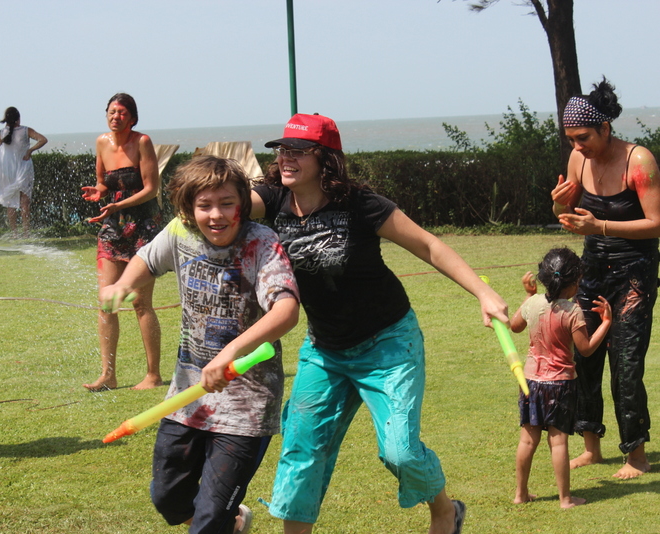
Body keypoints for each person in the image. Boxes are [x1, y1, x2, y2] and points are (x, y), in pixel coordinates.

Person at [250, 113, 509, 534]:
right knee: (301, 447)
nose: (286, 158)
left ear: (325, 158)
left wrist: (483, 292)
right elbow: (225, 203)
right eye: (282, 150)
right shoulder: (274, 197)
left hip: (387, 344)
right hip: (325, 349)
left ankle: (445, 510)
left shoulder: (360, 204)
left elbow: (428, 245)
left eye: (298, 151)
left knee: (400, 452)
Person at [99, 155, 300, 534]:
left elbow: (287, 311)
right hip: (187, 398)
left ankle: (220, 521)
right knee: (167, 497)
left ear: (243, 203)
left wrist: (231, 353)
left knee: (208, 519)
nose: (216, 215)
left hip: (246, 405)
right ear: (189, 208)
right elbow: (146, 259)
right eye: (205, 205)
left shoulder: (261, 242)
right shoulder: (180, 232)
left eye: (227, 203)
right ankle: (234, 523)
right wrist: (122, 285)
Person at [551, 78, 660, 479]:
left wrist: (601, 226)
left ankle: (636, 455)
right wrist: (558, 207)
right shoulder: (578, 161)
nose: (577, 147)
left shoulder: (638, 160)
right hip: (592, 269)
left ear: (605, 127)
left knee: (626, 363)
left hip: (634, 273)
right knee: (584, 356)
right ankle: (591, 447)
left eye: (583, 138)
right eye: (571, 140)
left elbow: (656, 223)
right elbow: (570, 218)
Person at [510, 247, 611, 509]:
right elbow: (585, 349)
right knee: (558, 442)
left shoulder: (532, 303)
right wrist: (605, 323)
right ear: (576, 281)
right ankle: (565, 499)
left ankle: (520, 494)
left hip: (530, 381)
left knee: (527, 440)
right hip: (560, 384)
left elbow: (515, 326)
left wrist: (528, 296)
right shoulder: (572, 311)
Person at [81, 93, 163, 391]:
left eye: (122, 113)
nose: (116, 117)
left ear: (132, 118)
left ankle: (153, 375)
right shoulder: (102, 142)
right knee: (107, 302)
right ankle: (108, 375)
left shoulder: (142, 142)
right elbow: (104, 182)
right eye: (112, 112)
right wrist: (99, 192)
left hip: (142, 227)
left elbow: (152, 188)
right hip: (112, 226)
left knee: (140, 303)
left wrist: (119, 204)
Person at [0, 106, 47, 236]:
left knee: (10, 202)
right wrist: (30, 150)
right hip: (23, 167)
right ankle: (26, 232)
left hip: (8, 169)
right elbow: (43, 139)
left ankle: (14, 233)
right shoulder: (25, 130)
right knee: (25, 202)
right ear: (18, 118)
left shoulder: (2, 132)